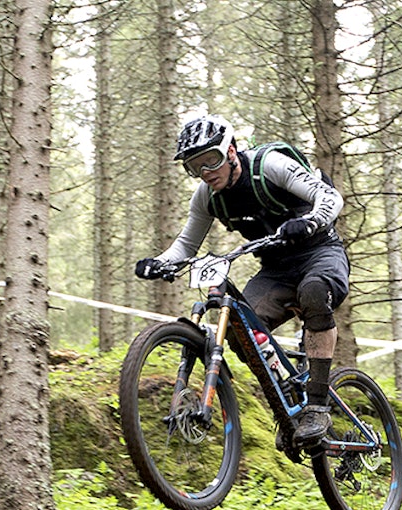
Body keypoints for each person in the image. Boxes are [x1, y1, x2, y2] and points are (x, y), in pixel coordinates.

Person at [135, 114, 348, 452]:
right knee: (239, 330)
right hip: (276, 269)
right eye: (195, 166)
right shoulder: (207, 197)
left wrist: (308, 222)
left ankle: (318, 406)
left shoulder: (270, 166)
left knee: (314, 292)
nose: (206, 171)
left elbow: (330, 198)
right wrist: (159, 263)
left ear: (231, 151)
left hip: (319, 252)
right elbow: (185, 245)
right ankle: (288, 405)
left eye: (212, 160)